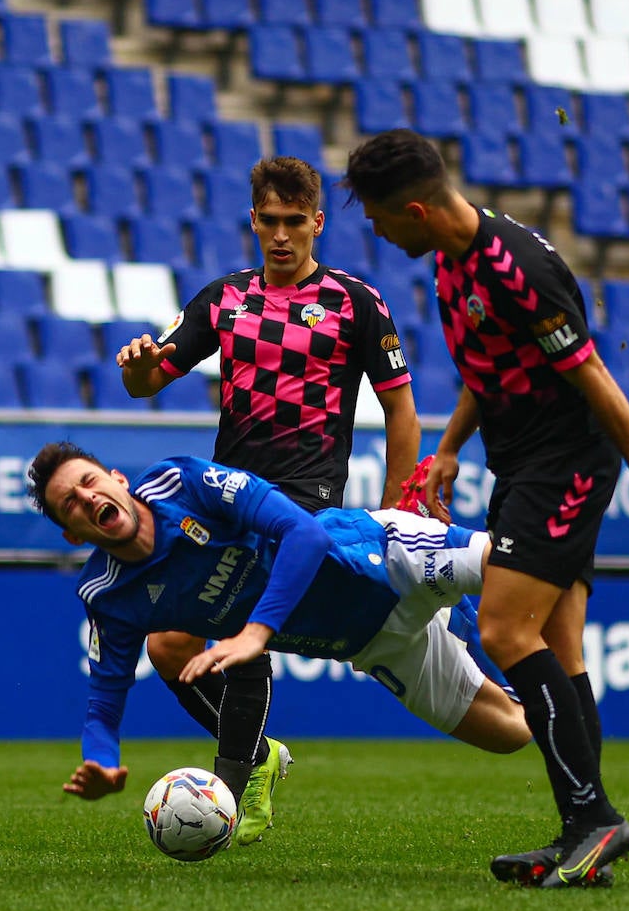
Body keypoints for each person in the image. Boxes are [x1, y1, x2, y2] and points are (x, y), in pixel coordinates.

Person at [341, 128, 629, 888]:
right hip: (522, 463)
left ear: (416, 210)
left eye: (377, 216)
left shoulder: (518, 268)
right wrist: (447, 447)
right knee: (561, 651)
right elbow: (486, 366)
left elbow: (592, 373)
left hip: (567, 463)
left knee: (504, 627)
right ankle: (583, 828)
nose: (373, 228)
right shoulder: (450, 263)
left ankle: (596, 818)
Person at [115, 156, 421, 844]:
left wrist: (395, 509)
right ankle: (258, 754)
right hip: (229, 497)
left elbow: (401, 411)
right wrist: (137, 368)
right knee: (168, 643)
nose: (281, 236)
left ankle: (229, 788)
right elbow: (150, 375)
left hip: (306, 497)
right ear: (253, 220)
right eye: (269, 222)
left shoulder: (357, 302)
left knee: (241, 625)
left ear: (317, 221)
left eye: (295, 222)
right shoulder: (223, 299)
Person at [26, 442, 533, 819]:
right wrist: (101, 761)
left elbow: (305, 534)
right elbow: (104, 698)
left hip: (382, 556)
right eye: (70, 502)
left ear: (117, 478)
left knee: (516, 563)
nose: (87, 497)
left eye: (90, 481)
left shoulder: (182, 483)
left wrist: (255, 632)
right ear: (74, 534)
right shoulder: (109, 595)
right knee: (513, 732)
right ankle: (448, 617)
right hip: (375, 643)